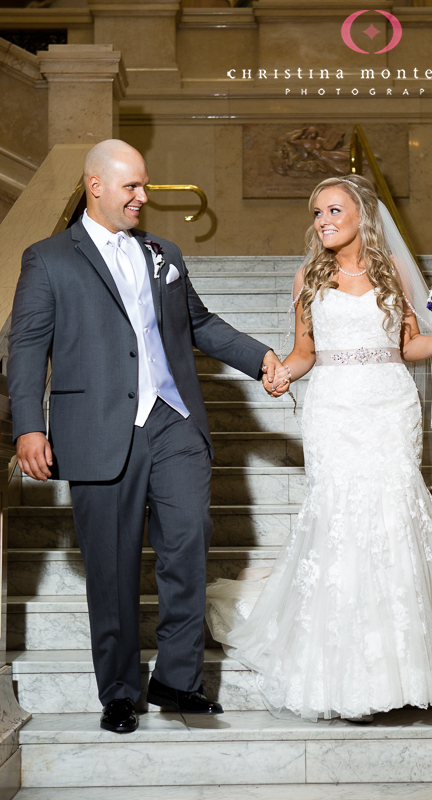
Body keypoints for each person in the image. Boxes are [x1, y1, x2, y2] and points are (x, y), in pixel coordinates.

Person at [8, 139, 287, 734]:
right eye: (131, 185)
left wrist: (260, 357)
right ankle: (118, 691)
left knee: (187, 546)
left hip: (175, 421)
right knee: (110, 566)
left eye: (145, 185)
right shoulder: (49, 258)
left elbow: (200, 324)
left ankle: (178, 681)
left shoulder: (164, 252)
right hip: (100, 431)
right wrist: (29, 425)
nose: (143, 196)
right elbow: (27, 346)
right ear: (96, 185)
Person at [205, 174, 432, 723]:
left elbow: (407, 344)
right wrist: (280, 375)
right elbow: (305, 351)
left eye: (333, 210)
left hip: (388, 405)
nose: (323, 220)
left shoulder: (392, 272)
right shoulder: (309, 275)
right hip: (332, 408)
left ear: (361, 215)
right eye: (317, 213)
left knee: (391, 513)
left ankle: (398, 669)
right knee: (340, 518)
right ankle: (340, 672)